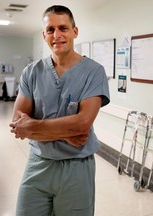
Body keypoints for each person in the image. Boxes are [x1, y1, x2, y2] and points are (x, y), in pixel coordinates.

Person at [9, 5, 110, 216]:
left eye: (63, 28)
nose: (57, 35)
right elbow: (18, 126)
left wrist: (34, 127)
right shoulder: (32, 72)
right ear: (44, 34)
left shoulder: (94, 72)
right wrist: (66, 132)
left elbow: (82, 124)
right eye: (51, 30)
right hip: (38, 164)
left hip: (76, 167)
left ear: (75, 31)